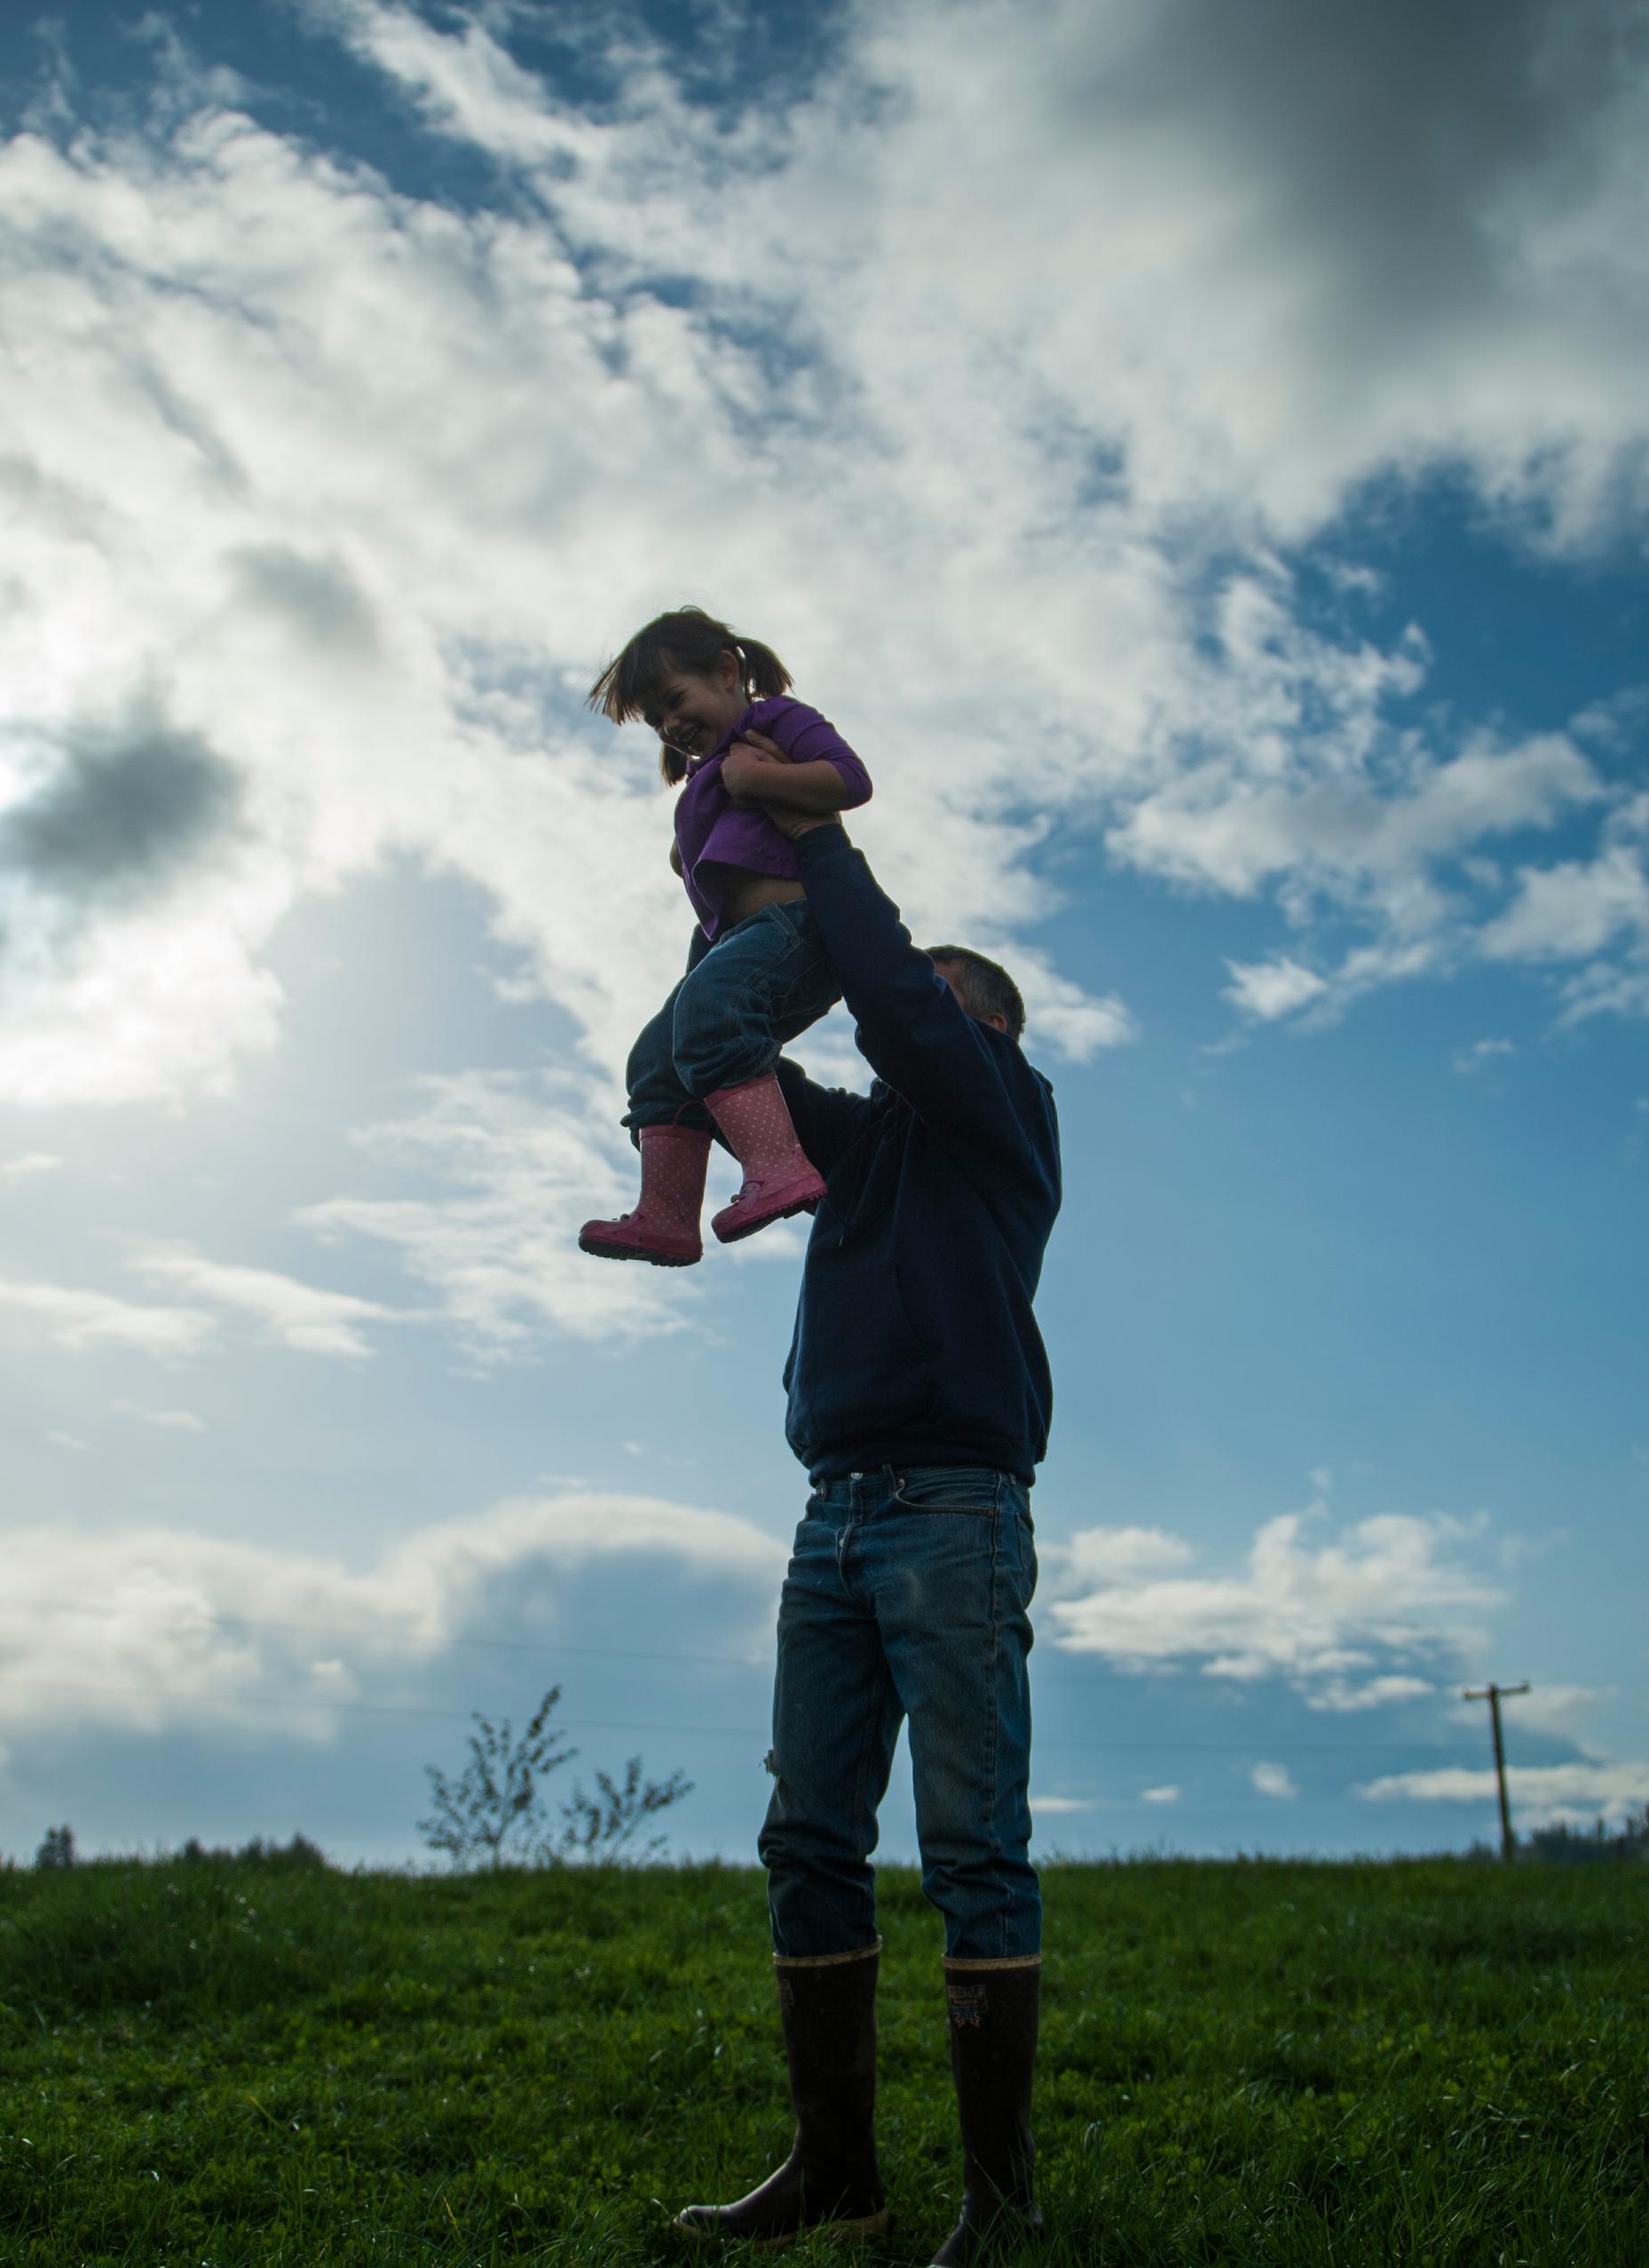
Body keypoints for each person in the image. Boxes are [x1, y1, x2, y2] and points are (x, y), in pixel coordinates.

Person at [670, 742, 1061, 2266]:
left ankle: (1002, 2199)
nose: (901, 1009)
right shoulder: (867, 1138)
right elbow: (739, 1078)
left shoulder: (1006, 1119)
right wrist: (732, 933)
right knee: (810, 1837)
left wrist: (817, 837)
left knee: (972, 1848)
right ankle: (835, 2175)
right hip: (832, 1514)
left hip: (956, 1511)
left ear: (989, 1026)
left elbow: (896, 992)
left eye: (935, 996)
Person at [577, 607, 872, 1266]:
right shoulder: (698, 779)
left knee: (710, 1016)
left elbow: (850, 780)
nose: (669, 724)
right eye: (655, 720)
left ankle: (779, 1166)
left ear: (726, 670)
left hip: (796, 930)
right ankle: (668, 1216)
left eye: (674, 701)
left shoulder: (777, 722)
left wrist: (762, 779)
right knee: (656, 1061)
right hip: (734, 942)